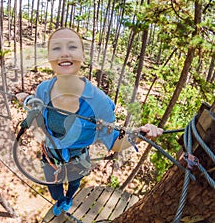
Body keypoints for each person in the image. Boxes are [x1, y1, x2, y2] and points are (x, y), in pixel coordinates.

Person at [32, 28, 163, 216]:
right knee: (54, 189)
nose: (64, 53)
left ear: (82, 56)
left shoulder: (99, 103)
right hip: (50, 157)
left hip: (78, 160)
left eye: (72, 46)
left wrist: (140, 134)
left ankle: (69, 198)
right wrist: (28, 101)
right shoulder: (43, 90)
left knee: (74, 183)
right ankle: (60, 200)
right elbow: (40, 120)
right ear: (50, 57)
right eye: (56, 48)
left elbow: (115, 142)